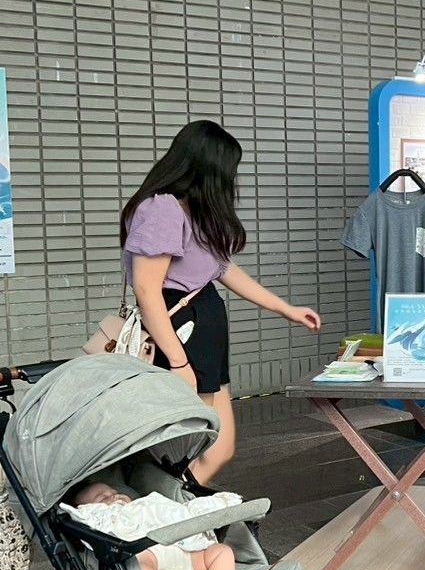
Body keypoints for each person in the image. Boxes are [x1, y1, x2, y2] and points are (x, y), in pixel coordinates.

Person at [121, 120, 322, 484]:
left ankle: (178, 504)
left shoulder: (192, 211)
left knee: (219, 448)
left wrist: (286, 309)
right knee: (188, 450)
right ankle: (169, 508)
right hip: (182, 339)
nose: (232, 179)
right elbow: (147, 290)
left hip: (203, 342)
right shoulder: (162, 208)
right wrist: (180, 362)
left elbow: (225, 269)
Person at [67, 482, 244, 570]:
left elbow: (169, 512)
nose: (114, 496)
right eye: (102, 498)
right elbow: (90, 519)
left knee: (221, 550)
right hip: (152, 558)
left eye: (114, 492)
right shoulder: (103, 518)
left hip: (185, 551)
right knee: (138, 568)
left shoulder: (144, 505)